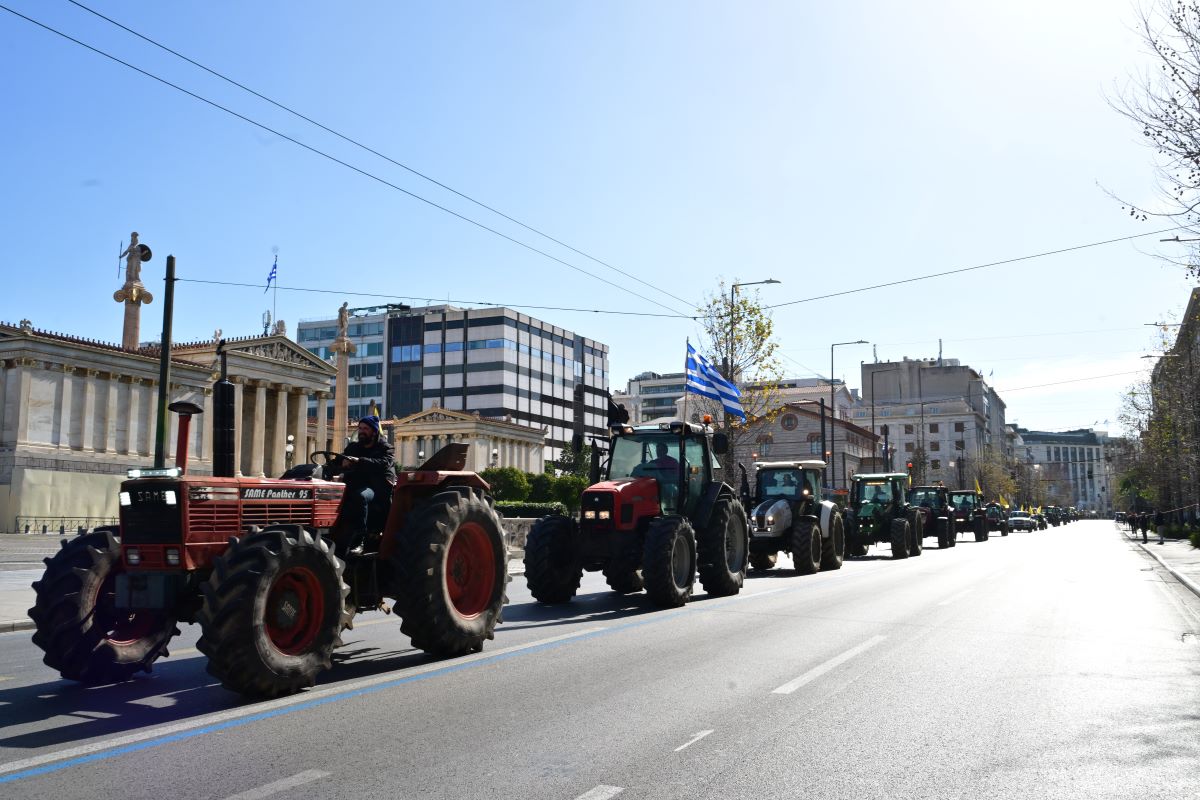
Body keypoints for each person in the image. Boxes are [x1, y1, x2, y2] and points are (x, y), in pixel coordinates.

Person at [328, 415, 396, 553]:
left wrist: (359, 461)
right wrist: (341, 463)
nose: (362, 431)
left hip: (376, 487)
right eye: (360, 428)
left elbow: (383, 464)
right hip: (354, 483)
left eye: (365, 428)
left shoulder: (386, 448)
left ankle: (361, 539)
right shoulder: (353, 447)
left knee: (360, 496)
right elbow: (336, 462)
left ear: (374, 431)